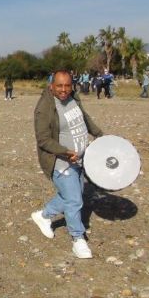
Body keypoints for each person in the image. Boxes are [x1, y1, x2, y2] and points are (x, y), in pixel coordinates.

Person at [32, 70, 104, 259]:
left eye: (67, 85)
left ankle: (43, 215)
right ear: (51, 86)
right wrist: (65, 152)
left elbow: (84, 118)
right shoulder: (44, 109)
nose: (64, 90)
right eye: (59, 86)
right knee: (74, 200)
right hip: (61, 162)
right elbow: (43, 140)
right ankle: (78, 239)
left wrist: (99, 134)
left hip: (79, 159)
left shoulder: (73, 97)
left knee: (73, 195)